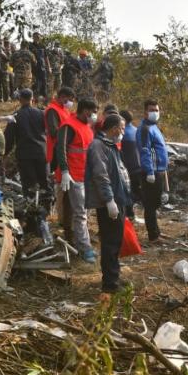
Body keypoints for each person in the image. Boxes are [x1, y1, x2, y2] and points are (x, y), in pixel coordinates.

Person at [85, 114, 133, 292]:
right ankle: (110, 284)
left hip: (117, 199)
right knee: (110, 242)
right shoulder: (98, 146)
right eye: (122, 128)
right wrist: (109, 200)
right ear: (113, 128)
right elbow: (101, 175)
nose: (123, 132)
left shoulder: (111, 145)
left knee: (116, 241)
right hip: (108, 203)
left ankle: (114, 277)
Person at [55, 98, 99, 263]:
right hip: (74, 176)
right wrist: (65, 171)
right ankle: (84, 248)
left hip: (85, 175)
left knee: (84, 212)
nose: (94, 115)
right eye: (92, 112)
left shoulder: (87, 127)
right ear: (84, 111)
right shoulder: (69, 126)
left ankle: (81, 241)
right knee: (80, 213)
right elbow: (61, 148)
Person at [135, 99, 169, 243]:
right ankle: (153, 236)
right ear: (145, 112)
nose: (154, 113)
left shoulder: (154, 127)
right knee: (150, 204)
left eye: (156, 110)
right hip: (151, 172)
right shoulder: (145, 129)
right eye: (151, 110)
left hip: (159, 170)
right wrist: (149, 171)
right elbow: (145, 151)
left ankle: (156, 231)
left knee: (155, 203)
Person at [4, 89, 48, 195]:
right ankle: (46, 206)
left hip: (25, 154)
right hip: (41, 152)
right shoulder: (41, 113)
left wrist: (4, 153)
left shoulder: (15, 116)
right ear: (32, 99)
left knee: (29, 184)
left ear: (20, 100)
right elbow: (49, 132)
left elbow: (9, 138)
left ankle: (30, 207)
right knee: (44, 182)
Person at [44, 86, 76, 171]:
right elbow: (53, 131)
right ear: (62, 97)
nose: (71, 103)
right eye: (70, 100)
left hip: (63, 146)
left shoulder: (64, 109)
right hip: (54, 148)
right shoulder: (52, 110)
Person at [119, 109, 142, 203]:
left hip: (128, 168)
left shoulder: (123, 134)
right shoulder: (136, 130)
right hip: (138, 166)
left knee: (128, 193)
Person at [28, 32, 51, 99]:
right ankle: (34, 98)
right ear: (33, 37)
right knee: (35, 83)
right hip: (33, 68)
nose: (37, 38)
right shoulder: (30, 46)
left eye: (38, 37)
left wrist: (49, 67)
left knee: (44, 82)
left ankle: (44, 97)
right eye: (35, 37)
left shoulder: (42, 46)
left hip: (42, 67)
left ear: (40, 38)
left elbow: (46, 57)